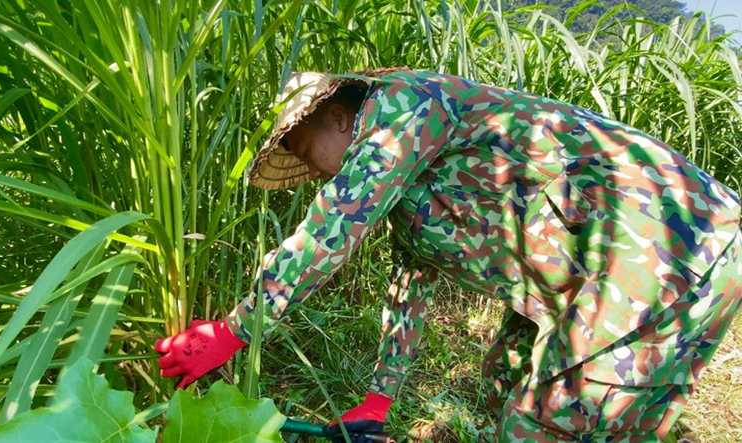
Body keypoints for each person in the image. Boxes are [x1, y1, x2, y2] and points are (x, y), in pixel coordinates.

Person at [154, 68, 742, 441]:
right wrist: (379, 399)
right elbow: (410, 282)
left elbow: (332, 228)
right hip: (588, 273)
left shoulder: (407, 106)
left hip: (665, 243)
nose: (311, 174)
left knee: (543, 425)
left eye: (308, 155)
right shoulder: (407, 189)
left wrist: (233, 330)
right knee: (503, 381)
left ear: (338, 117)